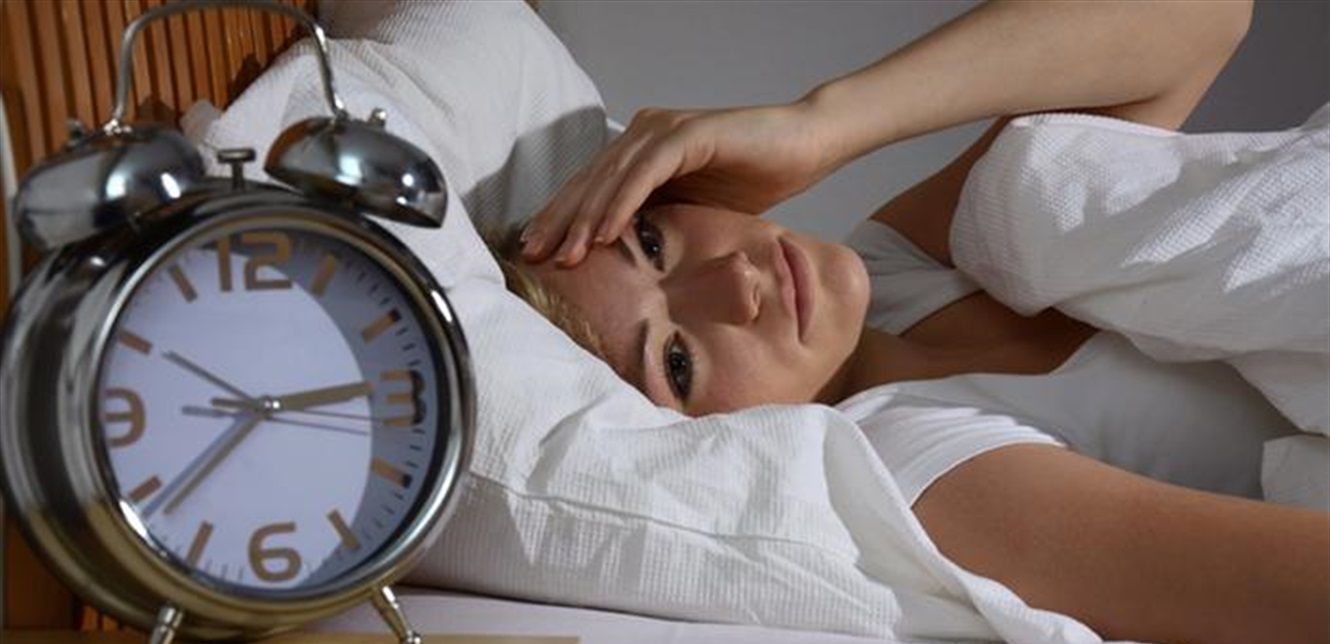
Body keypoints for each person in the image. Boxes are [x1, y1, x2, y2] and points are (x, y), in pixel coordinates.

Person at [495, 1, 1330, 642]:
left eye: (652, 242)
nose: (737, 283)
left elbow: (1205, 15)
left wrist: (821, 125)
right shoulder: (927, 471)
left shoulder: (899, 274)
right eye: (677, 362)